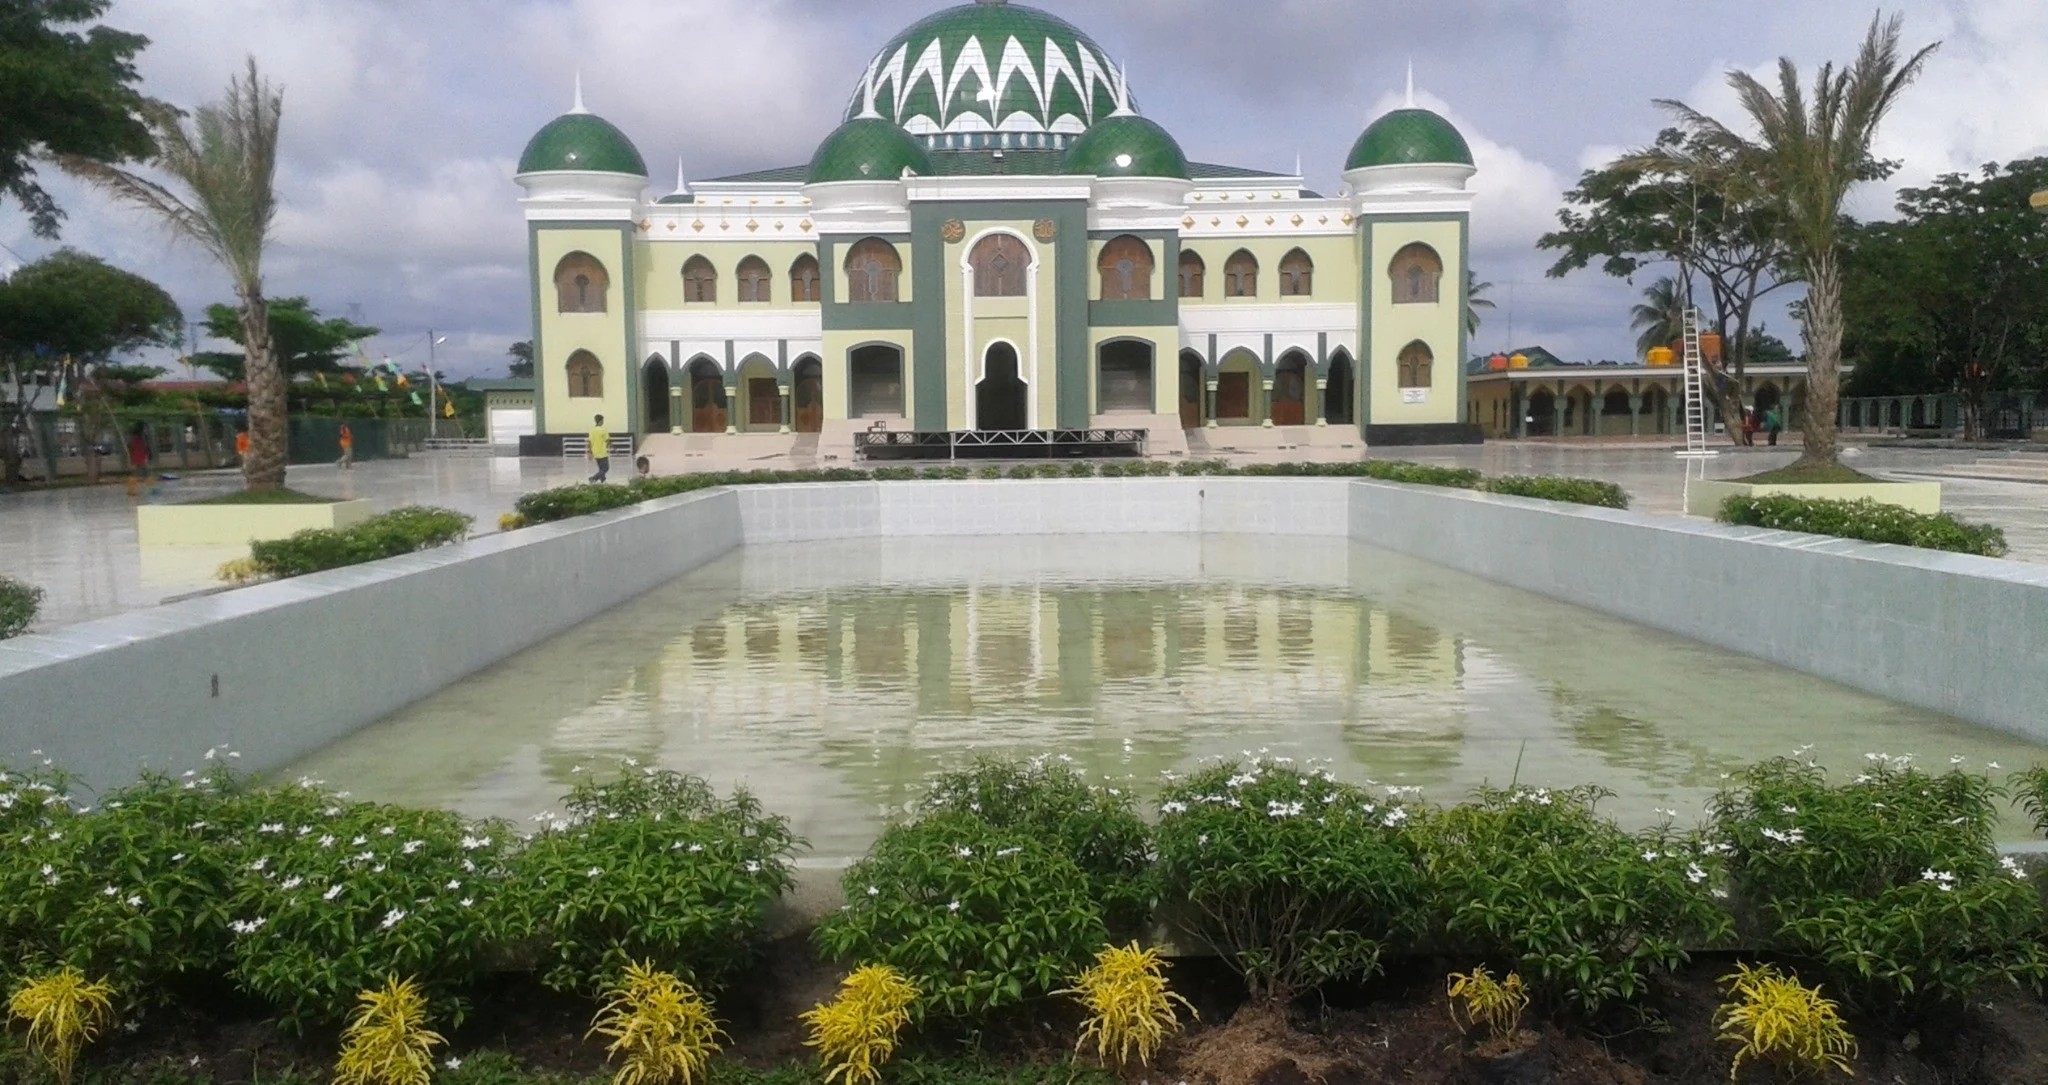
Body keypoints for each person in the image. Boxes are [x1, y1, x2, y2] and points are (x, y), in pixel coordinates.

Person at [125, 424, 150, 495]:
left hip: (135, 455)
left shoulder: (133, 436)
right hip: (140, 455)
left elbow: (129, 445)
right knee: (145, 472)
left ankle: (131, 489)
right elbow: (145, 446)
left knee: (137, 472)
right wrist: (147, 455)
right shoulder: (142, 437)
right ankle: (151, 488)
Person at [588, 414, 611, 483]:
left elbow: (589, 442)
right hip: (602, 452)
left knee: (601, 468)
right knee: (606, 468)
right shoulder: (603, 430)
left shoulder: (592, 430)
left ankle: (603, 480)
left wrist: (590, 452)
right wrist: (610, 446)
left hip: (595, 452)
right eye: (603, 420)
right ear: (601, 421)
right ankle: (593, 478)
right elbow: (607, 440)